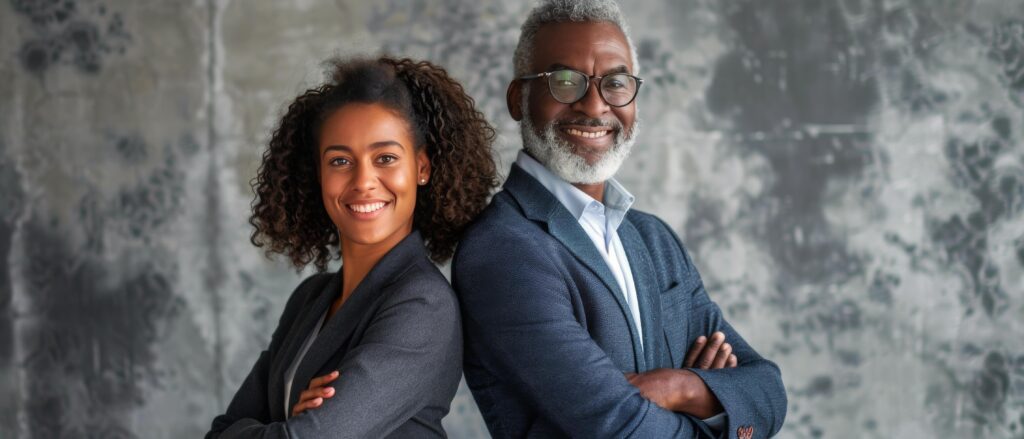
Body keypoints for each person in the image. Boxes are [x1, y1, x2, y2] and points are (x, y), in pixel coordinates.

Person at [452, 1, 787, 437]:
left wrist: (682, 386)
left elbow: (768, 392)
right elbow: (617, 428)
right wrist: (716, 400)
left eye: (615, 83)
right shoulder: (503, 251)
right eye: (565, 81)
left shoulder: (653, 238)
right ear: (519, 99)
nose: (594, 106)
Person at [207, 56, 498, 438]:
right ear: (318, 173)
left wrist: (282, 427)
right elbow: (221, 431)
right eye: (341, 160)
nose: (363, 181)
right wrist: (288, 426)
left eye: (386, 158)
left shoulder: (422, 305)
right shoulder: (309, 300)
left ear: (422, 167)